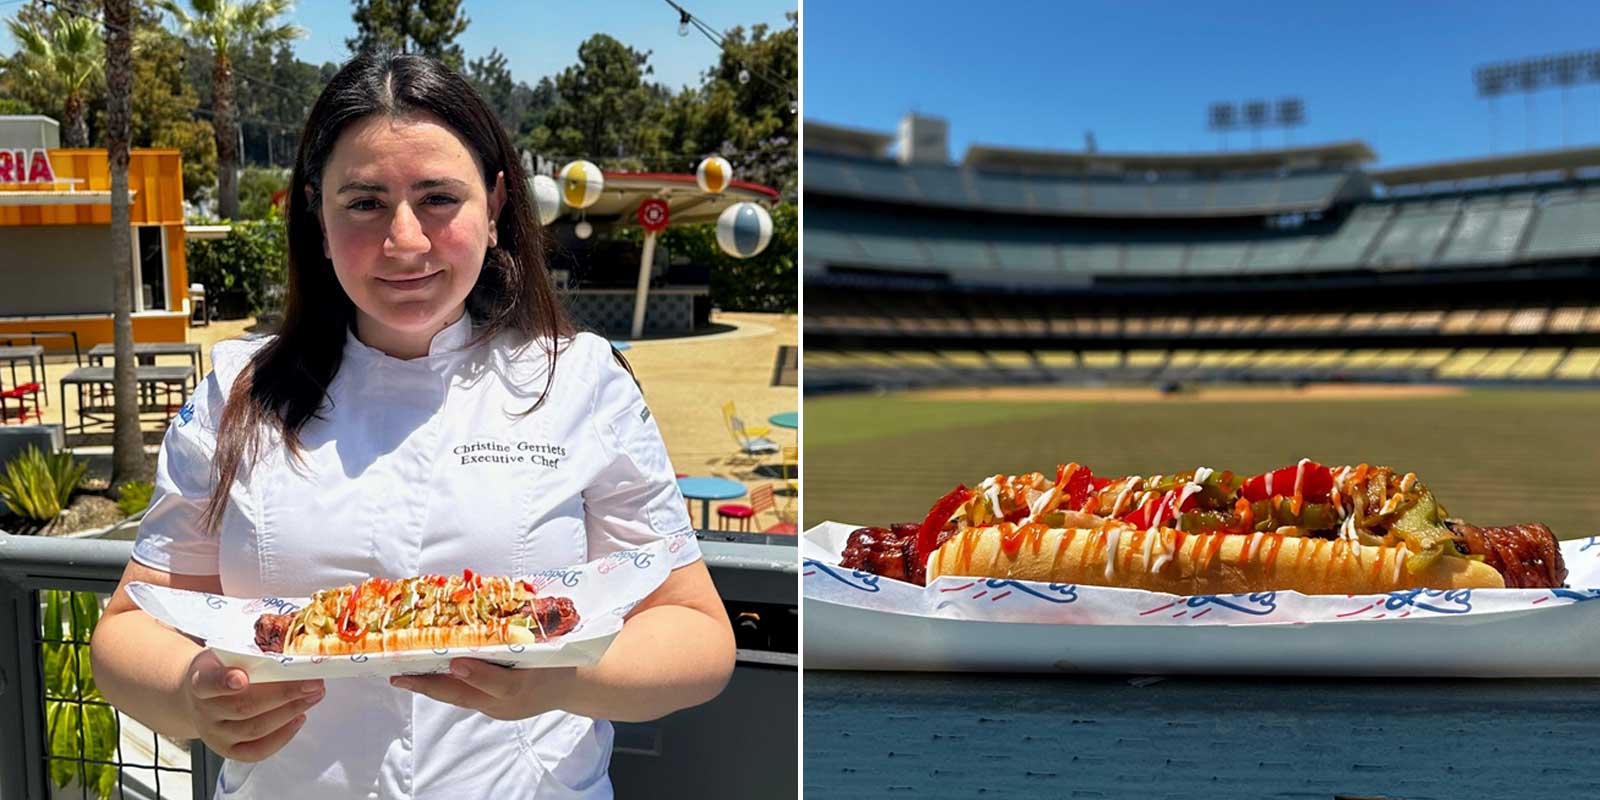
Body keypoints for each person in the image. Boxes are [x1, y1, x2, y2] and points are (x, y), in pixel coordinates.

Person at [90, 52, 735, 799]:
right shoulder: (240, 393)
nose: (405, 241)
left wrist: (559, 681)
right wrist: (189, 693)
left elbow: (696, 633)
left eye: (438, 198)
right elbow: (129, 629)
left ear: (494, 207)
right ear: (316, 215)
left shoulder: (582, 382)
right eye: (364, 202)